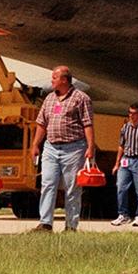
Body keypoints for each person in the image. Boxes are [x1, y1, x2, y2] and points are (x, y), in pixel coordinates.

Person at [29, 65, 95, 233]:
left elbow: (88, 124)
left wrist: (90, 147)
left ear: (64, 80)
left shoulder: (81, 98)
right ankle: (45, 224)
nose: (51, 81)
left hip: (74, 148)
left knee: (72, 188)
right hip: (50, 147)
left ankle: (71, 226)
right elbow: (41, 123)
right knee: (48, 184)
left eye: (54, 78)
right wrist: (36, 144)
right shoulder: (49, 98)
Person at [111, 103, 138, 227]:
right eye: (130, 113)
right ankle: (123, 214)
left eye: (134, 113)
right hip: (125, 160)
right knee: (120, 187)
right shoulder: (125, 128)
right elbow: (121, 146)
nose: (131, 115)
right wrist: (117, 163)